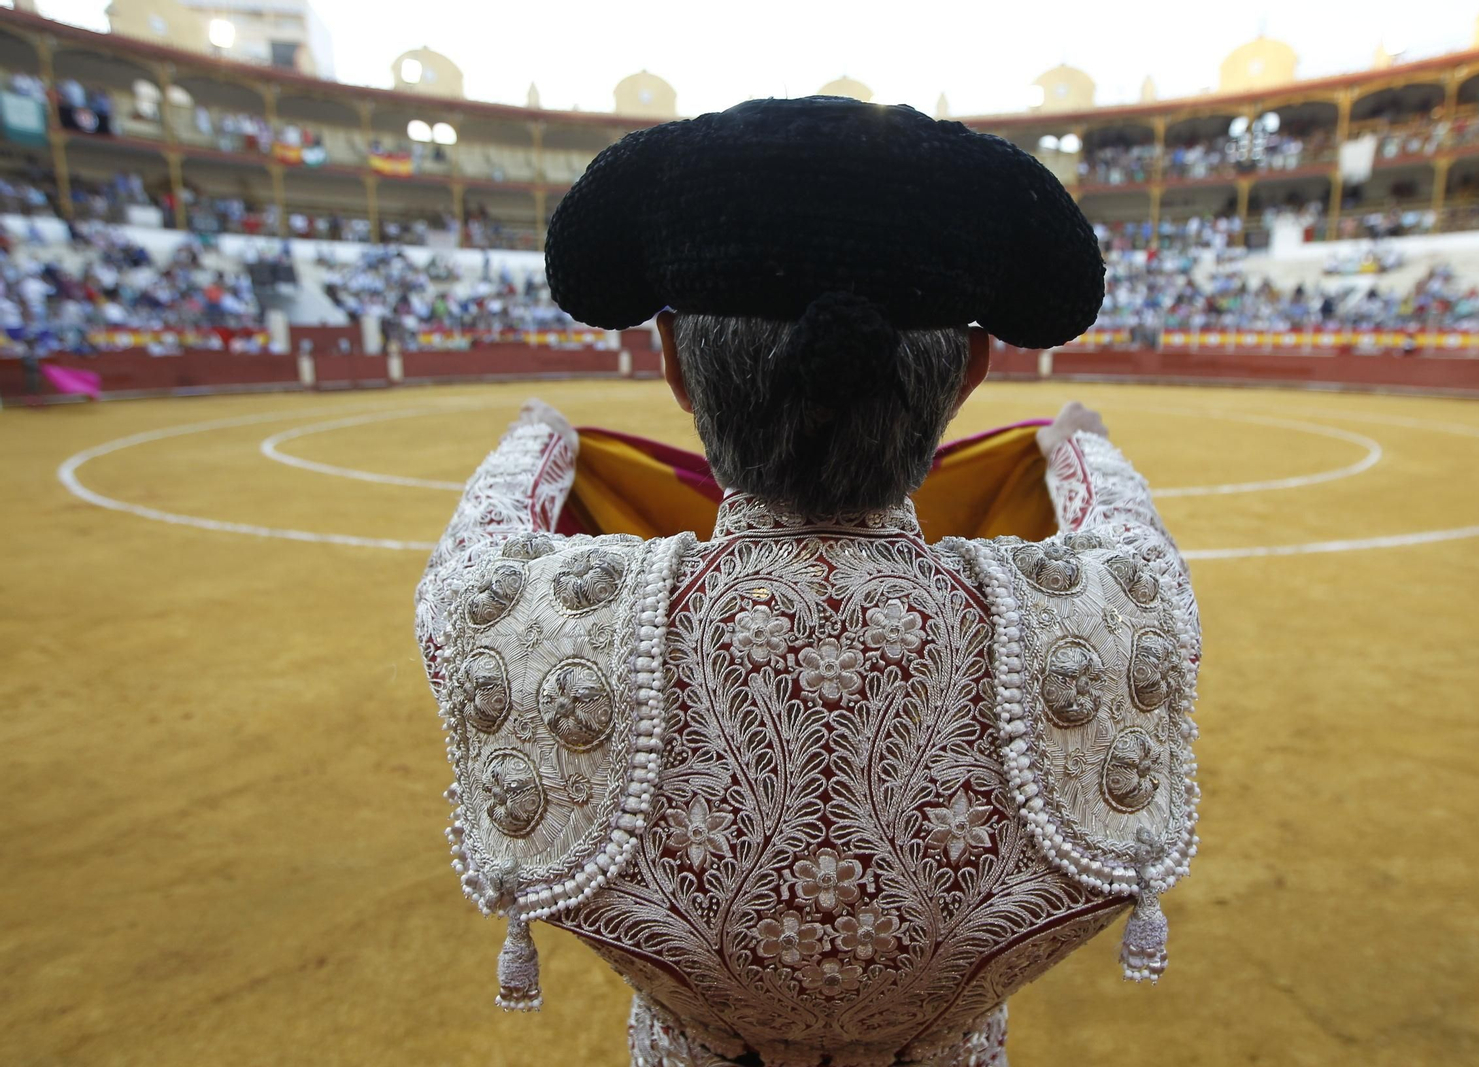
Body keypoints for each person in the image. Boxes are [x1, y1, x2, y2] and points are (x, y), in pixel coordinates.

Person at [414, 97, 1200, 1067]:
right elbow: (1119, 518)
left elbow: (481, 542)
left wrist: (540, 439)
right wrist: (1075, 444)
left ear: (672, 367)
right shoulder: (1114, 612)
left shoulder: (521, 620)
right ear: (970, 373)